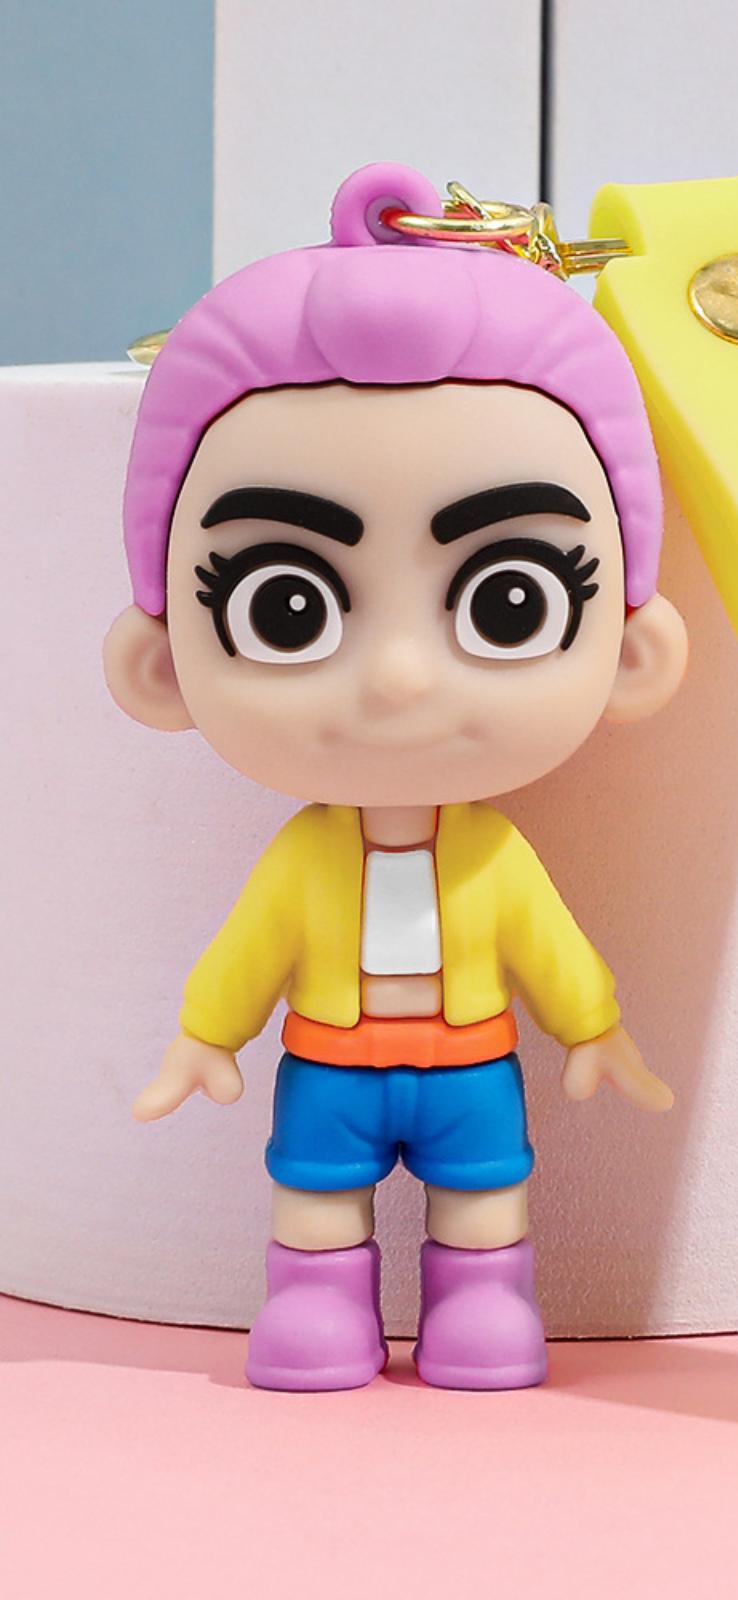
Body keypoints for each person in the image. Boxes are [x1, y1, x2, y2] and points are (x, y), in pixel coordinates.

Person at [102, 163, 688, 1392]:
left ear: (633, 651)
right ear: (159, 665)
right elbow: (253, 945)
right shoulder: (309, 856)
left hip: (472, 1059)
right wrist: (207, 1034)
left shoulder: (492, 857)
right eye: (287, 606)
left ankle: (485, 1308)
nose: (402, 677)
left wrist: (592, 1025)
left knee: (485, 1195)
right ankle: (316, 1309)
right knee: (315, 1195)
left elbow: (547, 942)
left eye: (510, 600)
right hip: (329, 1059)